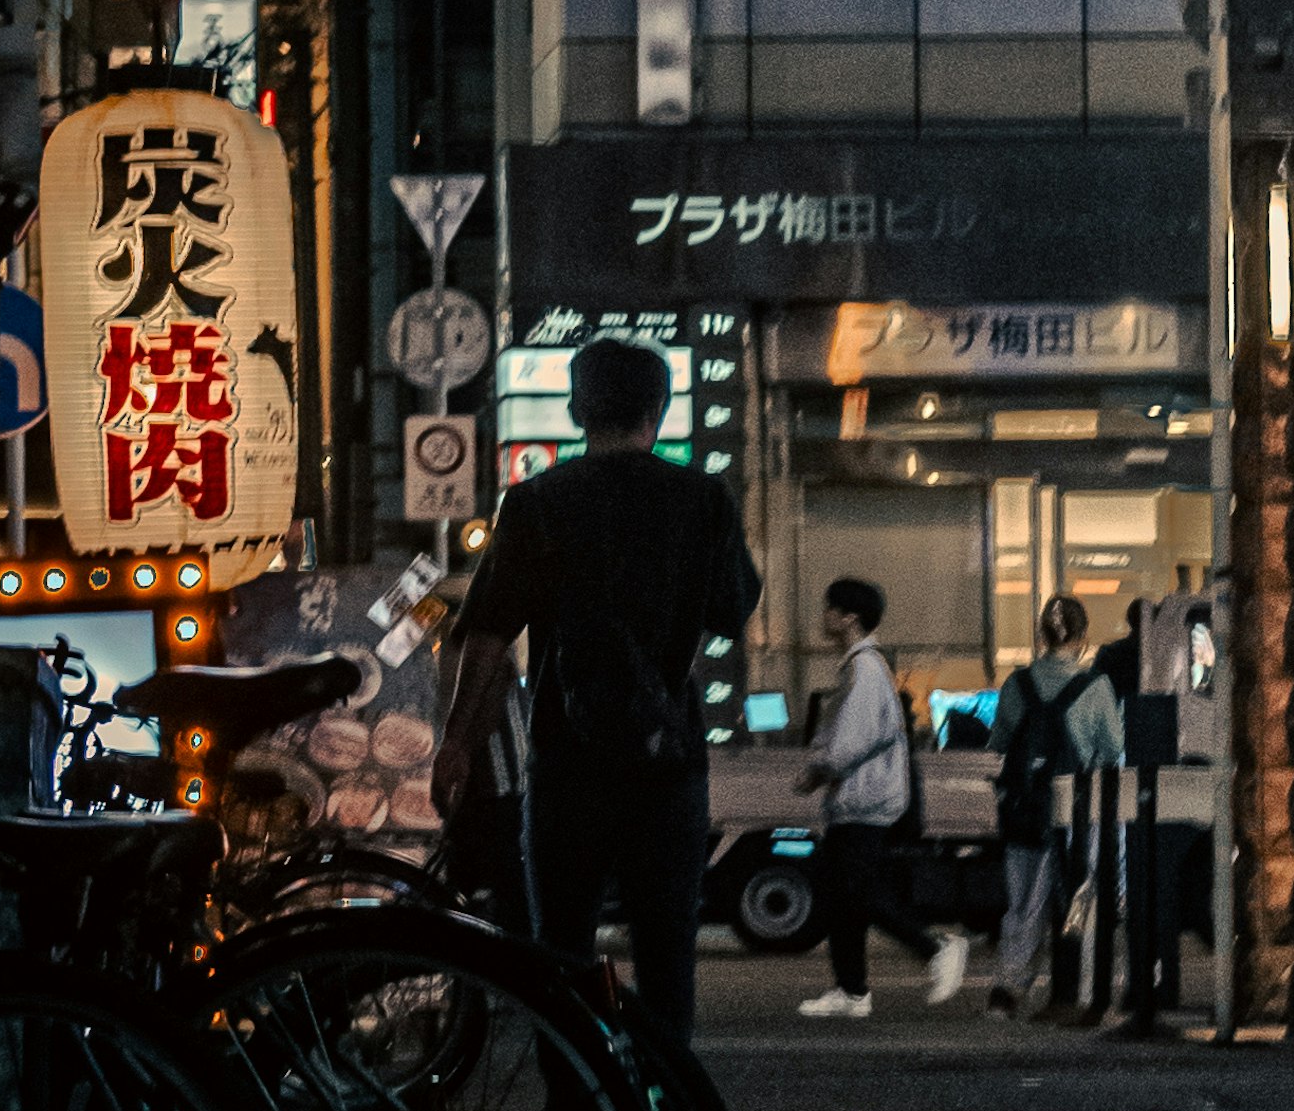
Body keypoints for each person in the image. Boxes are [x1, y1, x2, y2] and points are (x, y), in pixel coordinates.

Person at [436, 333, 761, 1047]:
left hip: (568, 761)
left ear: (579, 407)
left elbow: (488, 640)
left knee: (562, 956)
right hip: (669, 760)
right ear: (661, 408)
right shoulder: (702, 499)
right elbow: (732, 613)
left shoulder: (537, 502)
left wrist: (457, 744)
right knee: (668, 955)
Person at [797, 575, 965, 1018]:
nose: (824, 616)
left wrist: (818, 771)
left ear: (849, 618)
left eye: (831, 608)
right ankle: (851, 991)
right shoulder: (864, 666)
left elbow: (850, 740)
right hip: (857, 804)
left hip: (863, 805)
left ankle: (935, 948)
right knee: (843, 896)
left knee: (859, 893)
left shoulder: (865, 669)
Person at [988, 592, 1122, 1018]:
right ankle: (1075, 991)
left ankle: (1007, 989)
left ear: (1041, 635)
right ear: (1082, 637)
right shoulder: (1095, 687)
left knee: (1023, 902)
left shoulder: (1016, 684)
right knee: (1078, 900)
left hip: (1026, 810)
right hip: (1077, 816)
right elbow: (1112, 749)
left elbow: (1000, 743)